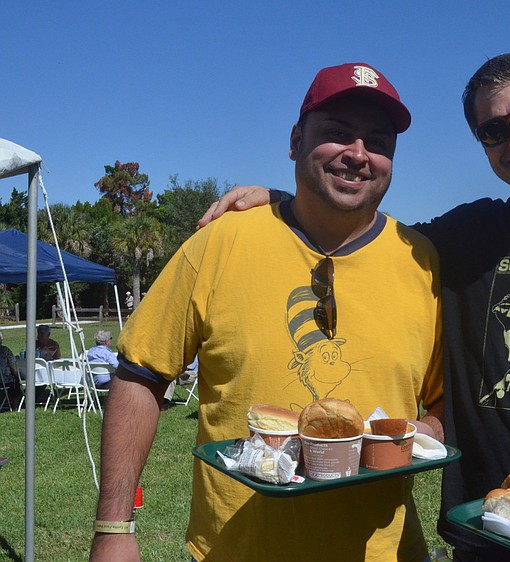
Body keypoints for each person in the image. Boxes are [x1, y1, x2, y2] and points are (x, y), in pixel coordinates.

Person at [201, 52, 510, 562]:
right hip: (486, 528)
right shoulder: (461, 236)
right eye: (495, 129)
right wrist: (284, 200)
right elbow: (364, 230)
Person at [90, 62, 444, 562]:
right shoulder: (221, 242)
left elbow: (442, 403)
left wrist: (421, 435)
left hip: (386, 550)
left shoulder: (422, 260)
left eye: (378, 141)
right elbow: (138, 376)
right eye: (338, 133)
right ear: (296, 141)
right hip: (239, 548)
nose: (358, 154)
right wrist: (112, 527)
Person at [0, 331, 22, 406]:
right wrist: (17, 375)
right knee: (16, 383)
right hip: (4, 380)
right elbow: (13, 366)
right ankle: (15, 407)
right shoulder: (5, 350)